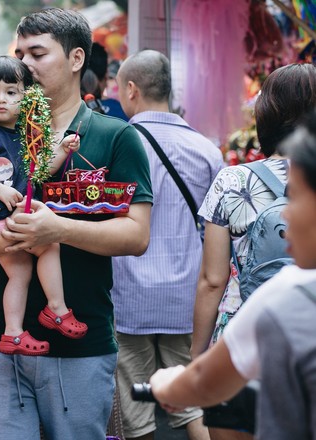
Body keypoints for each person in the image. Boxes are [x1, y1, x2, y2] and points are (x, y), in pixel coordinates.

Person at [0, 8, 153, 439]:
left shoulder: (115, 136)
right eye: (19, 53)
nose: (24, 65)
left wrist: (58, 230)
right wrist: (12, 237)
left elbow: (136, 235)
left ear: (76, 59)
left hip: (80, 345)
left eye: (37, 53)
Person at [149, 109, 316, 440]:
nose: (284, 214)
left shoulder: (290, 298)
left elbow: (201, 382)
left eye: (294, 196)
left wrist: (170, 382)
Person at [191, 62, 316, 440]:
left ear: (267, 115)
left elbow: (213, 281)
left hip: (243, 338)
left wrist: (197, 359)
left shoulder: (233, 180)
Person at [110, 50, 222, 440]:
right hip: (186, 298)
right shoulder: (207, 150)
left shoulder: (117, 144)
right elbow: (215, 233)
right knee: (192, 402)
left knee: (136, 406)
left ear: (131, 89)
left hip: (128, 295)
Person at [0, 55, 86, 356]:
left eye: (10, 92)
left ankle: (12, 333)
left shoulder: (24, 133)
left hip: (2, 215)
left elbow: (39, 171)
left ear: (25, 96)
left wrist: (62, 150)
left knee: (20, 272)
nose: (1, 99)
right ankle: (56, 309)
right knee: (49, 244)